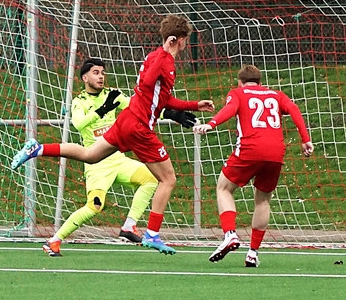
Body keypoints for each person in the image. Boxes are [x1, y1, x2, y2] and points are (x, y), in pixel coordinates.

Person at [11, 14, 213, 254]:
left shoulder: (153, 57)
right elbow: (147, 84)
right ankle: (152, 233)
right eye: (184, 39)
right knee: (168, 179)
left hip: (127, 121)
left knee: (91, 155)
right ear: (176, 39)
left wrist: (192, 106)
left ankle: (39, 148)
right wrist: (165, 54)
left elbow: (160, 97)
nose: (185, 43)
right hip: (139, 127)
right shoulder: (163, 59)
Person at [193, 64, 313, 268]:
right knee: (263, 200)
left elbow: (230, 109)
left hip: (250, 149)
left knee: (223, 188)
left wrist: (211, 124)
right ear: (260, 82)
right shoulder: (277, 95)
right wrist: (305, 139)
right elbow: (294, 109)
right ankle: (252, 253)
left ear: (240, 82)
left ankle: (230, 234)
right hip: (276, 152)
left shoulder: (238, 93)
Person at [42, 58, 158, 257]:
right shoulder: (79, 101)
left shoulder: (112, 95)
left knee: (152, 178)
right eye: (96, 73)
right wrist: (102, 110)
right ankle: (54, 241)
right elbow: (79, 124)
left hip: (118, 160)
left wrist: (170, 112)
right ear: (85, 78)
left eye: (103, 73)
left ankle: (129, 226)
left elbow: (138, 108)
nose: (101, 76)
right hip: (96, 163)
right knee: (95, 206)